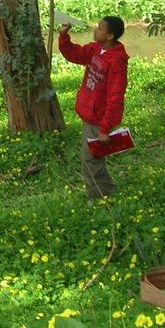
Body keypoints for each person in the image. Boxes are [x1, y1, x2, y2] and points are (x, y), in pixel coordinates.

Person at [58, 16, 129, 201]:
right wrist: (64, 37)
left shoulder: (117, 62)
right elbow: (75, 54)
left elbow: (115, 97)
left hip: (99, 118)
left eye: (100, 28)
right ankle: (101, 194)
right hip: (89, 115)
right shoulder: (96, 49)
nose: (95, 30)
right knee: (90, 157)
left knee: (91, 159)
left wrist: (105, 129)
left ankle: (101, 196)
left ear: (110, 35)